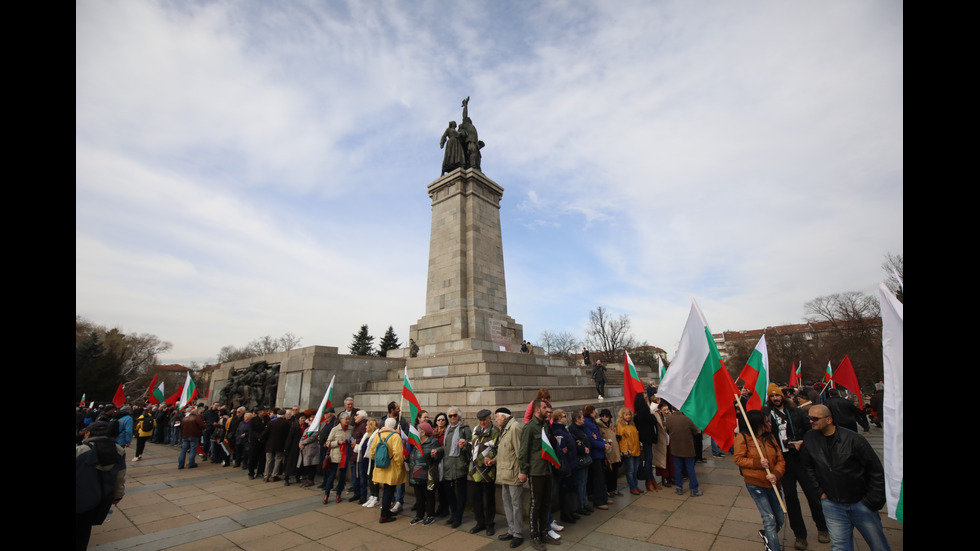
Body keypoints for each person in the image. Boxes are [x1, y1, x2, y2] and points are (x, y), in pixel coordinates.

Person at [800, 405, 890, 551]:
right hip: (832, 504)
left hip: (861, 503)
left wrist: (872, 501)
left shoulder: (854, 439)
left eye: (815, 418)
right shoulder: (810, 438)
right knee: (839, 546)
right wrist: (819, 492)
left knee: (878, 545)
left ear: (829, 420)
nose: (811, 421)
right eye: (809, 418)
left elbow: (875, 470)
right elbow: (808, 467)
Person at [765, 384, 829, 550]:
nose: (775, 399)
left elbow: (812, 432)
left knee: (813, 494)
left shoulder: (797, 412)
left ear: (783, 396)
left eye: (777, 396)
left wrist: (803, 442)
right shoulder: (767, 415)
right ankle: (800, 535)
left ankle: (823, 528)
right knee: (791, 498)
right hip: (782, 461)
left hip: (800, 458)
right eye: (772, 397)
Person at [735, 410, 786, 551]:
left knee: (780, 518)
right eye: (766, 421)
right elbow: (738, 458)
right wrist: (758, 463)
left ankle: (768, 536)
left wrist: (776, 473)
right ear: (758, 424)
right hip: (755, 483)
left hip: (774, 483)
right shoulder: (743, 437)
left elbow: (780, 459)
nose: (769, 423)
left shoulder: (770, 437)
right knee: (769, 519)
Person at [76, 421, 126, 551]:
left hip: (79, 496)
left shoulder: (80, 451)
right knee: (84, 531)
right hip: (99, 498)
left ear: (88, 434)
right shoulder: (119, 450)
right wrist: (118, 495)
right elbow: (120, 477)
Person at [519, 399, 560, 550]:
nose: (548, 410)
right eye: (544, 408)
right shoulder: (530, 427)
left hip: (547, 469)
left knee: (545, 502)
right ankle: (534, 535)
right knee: (535, 504)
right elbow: (524, 450)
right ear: (537, 410)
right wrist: (523, 470)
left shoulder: (545, 426)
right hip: (536, 471)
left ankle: (544, 531)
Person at [494, 407, 526, 547]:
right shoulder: (505, 428)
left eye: (497, 417)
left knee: (516, 505)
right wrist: (494, 460)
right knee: (507, 503)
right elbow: (504, 451)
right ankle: (512, 530)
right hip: (504, 472)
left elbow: (521, 452)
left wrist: (523, 471)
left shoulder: (515, 428)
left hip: (514, 473)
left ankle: (518, 533)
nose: (496, 419)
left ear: (504, 416)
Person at [467, 409, 499, 536]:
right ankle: (480, 522)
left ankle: (490, 524)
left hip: (488, 470)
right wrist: (466, 444)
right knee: (476, 498)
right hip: (475, 471)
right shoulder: (475, 430)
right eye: (480, 420)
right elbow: (474, 445)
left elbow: (498, 448)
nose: (482, 422)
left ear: (489, 418)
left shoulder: (495, 431)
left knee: (489, 499)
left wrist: (491, 457)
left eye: (484, 420)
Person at [371, 417, 407, 523]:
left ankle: (386, 511)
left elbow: (372, 452)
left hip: (381, 466)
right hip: (392, 468)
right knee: (389, 491)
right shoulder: (395, 436)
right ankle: (384, 516)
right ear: (394, 426)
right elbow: (398, 454)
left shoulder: (378, 435)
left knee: (387, 490)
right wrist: (400, 466)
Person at [442, 406, 472, 528]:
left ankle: (458, 517)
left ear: (459, 416)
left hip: (459, 465)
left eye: (455, 415)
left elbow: (471, 444)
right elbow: (446, 448)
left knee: (461, 493)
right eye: (450, 416)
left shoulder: (464, 429)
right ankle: (453, 513)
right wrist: (437, 451)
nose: (452, 418)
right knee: (450, 492)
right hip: (448, 465)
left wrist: (465, 444)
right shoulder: (447, 429)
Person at [664, 402, 702, 496]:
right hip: (687, 448)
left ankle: (679, 487)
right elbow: (696, 431)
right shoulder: (687, 419)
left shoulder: (669, 419)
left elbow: (667, 431)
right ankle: (694, 489)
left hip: (675, 448)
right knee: (690, 469)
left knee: (678, 469)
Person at [409, 422, 439, 526]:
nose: (417, 432)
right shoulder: (415, 442)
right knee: (419, 496)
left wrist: (434, 454)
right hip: (415, 470)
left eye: (418, 430)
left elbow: (436, 456)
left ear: (423, 432)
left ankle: (430, 515)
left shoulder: (432, 442)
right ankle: (419, 515)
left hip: (426, 471)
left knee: (428, 494)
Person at [323, 411, 353, 503]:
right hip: (335, 457)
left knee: (342, 477)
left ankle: (338, 494)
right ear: (341, 420)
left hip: (345, 457)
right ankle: (326, 494)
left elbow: (352, 439)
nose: (347, 421)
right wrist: (337, 443)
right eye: (346, 419)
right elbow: (328, 443)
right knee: (331, 476)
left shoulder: (351, 429)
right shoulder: (335, 429)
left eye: (349, 419)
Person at [616, 407, 642, 495]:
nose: (628, 416)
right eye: (626, 415)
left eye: (629, 414)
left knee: (635, 470)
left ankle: (635, 485)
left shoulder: (632, 424)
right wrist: (625, 451)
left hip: (636, 450)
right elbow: (622, 440)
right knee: (630, 470)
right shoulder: (620, 425)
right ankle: (632, 487)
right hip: (629, 452)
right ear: (622, 415)